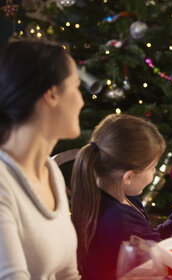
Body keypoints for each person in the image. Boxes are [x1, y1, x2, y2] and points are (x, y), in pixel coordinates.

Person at [70, 113, 172, 280]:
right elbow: (166, 260)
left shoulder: (124, 196)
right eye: (152, 167)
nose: (155, 172)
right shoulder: (117, 218)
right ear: (128, 177)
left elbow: (154, 242)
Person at [0, 39, 83, 279]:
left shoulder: (50, 171)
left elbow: (68, 274)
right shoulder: (3, 184)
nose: (81, 100)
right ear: (52, 94)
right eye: (76, 87)